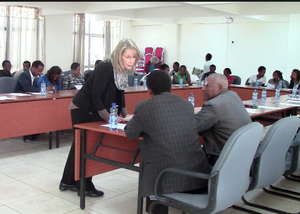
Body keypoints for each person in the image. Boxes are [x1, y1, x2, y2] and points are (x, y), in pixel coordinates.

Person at [59, 38, 140, 197]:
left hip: (95, 110)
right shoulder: (105, 68)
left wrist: (125, 114)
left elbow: (119, 94)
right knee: (86, 146)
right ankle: (84, 185)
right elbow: (96, 96)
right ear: (119, 55)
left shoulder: (121, 71)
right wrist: (109, 117)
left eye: (134, 57)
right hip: (83, 109)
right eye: (128, 56)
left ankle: (68, 181)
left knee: (80, 145)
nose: (132, 60)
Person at [124, 70, 212, 214]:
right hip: (197, 171)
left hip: (168, 177)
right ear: (170, 87)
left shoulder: (144, 106)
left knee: (153, 163)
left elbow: (130, 133)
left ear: (149, 89)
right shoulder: (186, 105)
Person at [195, 73, 252, 156]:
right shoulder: (233, 95)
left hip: (220, 157)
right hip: (242, 154)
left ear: (219, 88)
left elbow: (193, 127)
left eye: (207, 85)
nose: (203, 88)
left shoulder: (213, 106)